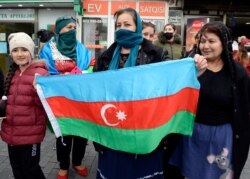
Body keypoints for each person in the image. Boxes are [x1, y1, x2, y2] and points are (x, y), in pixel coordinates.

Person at [93, 8, 207, 179]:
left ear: (137, 26)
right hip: (113, 130)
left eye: (127, 24)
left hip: (146, 132)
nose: (121, 28)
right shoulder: (105, 58)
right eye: (118, 25)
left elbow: (172, 81)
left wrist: (193, 70)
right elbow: (93, 92)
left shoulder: (156, 54)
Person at [169, 21, 250, 179]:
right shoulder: (189, 66)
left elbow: (244, 109)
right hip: (193, 136)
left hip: (222, 138)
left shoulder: (237, 73)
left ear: (224, 43)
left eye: (211, 41)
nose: (205, 46)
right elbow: (174, 97)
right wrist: (194, 73)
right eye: (202, 41)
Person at [39, 15, 92, 179]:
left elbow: (91, 66)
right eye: (69, 27)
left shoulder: (81, 49)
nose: (73, 30)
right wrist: (61, 78)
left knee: (81, 134)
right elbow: (43, 72)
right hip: (60, 101)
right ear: (59, 29)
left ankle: (77, 161)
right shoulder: (48, 50)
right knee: (63, 134)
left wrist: (80, 73)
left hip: (80, 99)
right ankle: (63, 165)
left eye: (74, 28)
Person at [0, 32, 48, 179]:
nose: (19, 54)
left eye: (24, 49)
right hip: (11, 133)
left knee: (31, 170)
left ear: (31, 51)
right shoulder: (11, 72)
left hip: (30, 135)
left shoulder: (41, 73)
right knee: (17, 169)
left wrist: (37, 90)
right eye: (15, 50)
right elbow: (7, 99)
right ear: (11, 54)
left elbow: (46, 105)